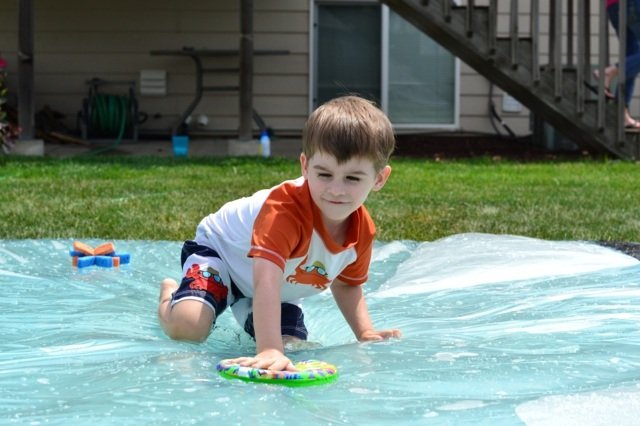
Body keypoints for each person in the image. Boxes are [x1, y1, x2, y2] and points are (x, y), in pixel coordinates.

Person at [157, 95, 402, 371]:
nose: (336, 189)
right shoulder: (284, 211)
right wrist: (269, 349)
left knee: (292, 348)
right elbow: (266, 282)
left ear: (379, 179)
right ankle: (170, 297)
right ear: (305, 166)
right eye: (324, 174)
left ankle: (251, 316)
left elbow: (346, 283)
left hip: (278, 282)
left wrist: (364, 332)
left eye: (353, 178)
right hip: (222, 257)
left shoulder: (361, 231)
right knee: (189, 327)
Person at [594, 0, 640, 129]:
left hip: (613, 6)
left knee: (631, 55)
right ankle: (611, 71)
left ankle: (622, 115)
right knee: (630, 58)